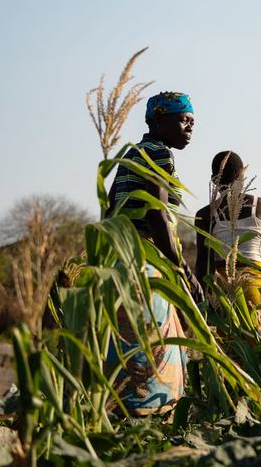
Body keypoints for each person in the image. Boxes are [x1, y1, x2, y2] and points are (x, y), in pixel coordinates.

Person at [105, 91, 198, 415]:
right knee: (153, 336)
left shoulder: (130, 154)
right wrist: (181, 268)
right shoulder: (158, 153)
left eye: (192, 123)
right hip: (146, 257)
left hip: (120, 255)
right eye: (184, 120)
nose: (189, 128)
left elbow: (110, 206)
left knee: (124, 334)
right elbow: (156, 214)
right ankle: (147, 409)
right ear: (158, 120)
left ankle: (116, 404)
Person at [195, 150, 261, 314]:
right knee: (257, 338)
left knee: (227, 339)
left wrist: (204, 300)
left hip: (222, 288)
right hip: (256, 286)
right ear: (242, 176)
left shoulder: (205, 214)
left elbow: (204, 264)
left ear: (214, 181)